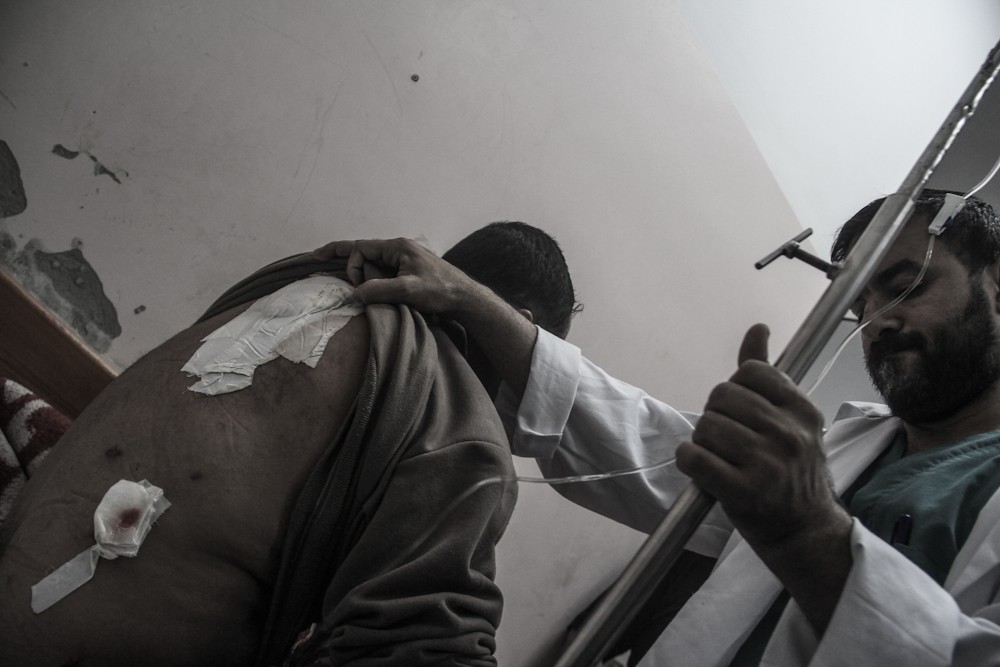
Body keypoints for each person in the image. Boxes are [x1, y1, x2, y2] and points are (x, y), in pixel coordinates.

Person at [316, 189, 1000, 665]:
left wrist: (809, 531)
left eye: (906, 284)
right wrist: (468, 298)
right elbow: (645, 440)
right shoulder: (844, 454)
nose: (878, 321)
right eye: (862, 301)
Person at [0, 221, 577, 667]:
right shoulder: (461, 425)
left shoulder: (297, 284)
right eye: (537, 358)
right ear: (514, 324)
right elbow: (423, 651)